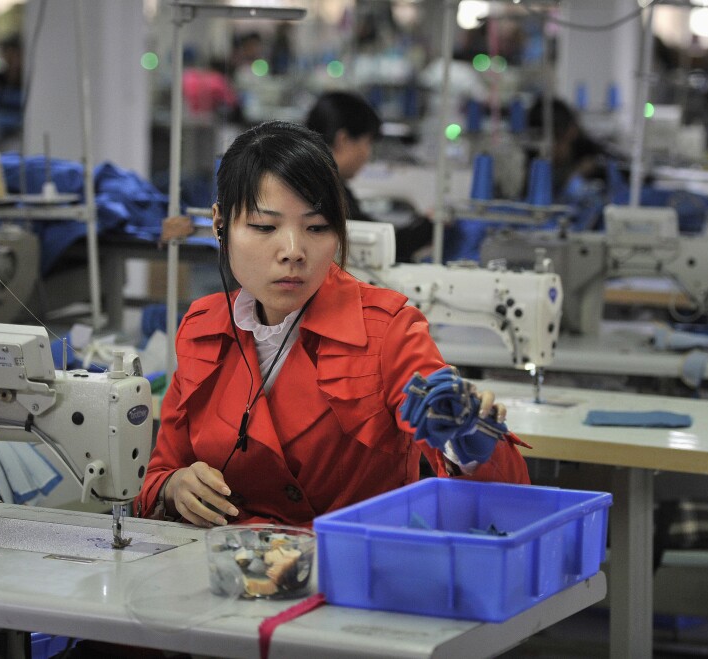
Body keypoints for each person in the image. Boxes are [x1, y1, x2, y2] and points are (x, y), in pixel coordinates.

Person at [137, 121, 529, 529]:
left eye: (317, 227)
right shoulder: (201, 328)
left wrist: (466, 440)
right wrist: (174, 485)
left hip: (352, 575)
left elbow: (502, 500)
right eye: (264, 227)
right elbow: (158, 476)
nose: (293, 252)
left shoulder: (387, 332)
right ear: (220, 224)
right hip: (228, 573)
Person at [305, 90, 433, 262]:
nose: (368, 153)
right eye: (367, 143)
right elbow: (381, 244)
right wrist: (430, 225)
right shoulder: (326, 190)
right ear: (343, 140)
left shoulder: (311, 179)